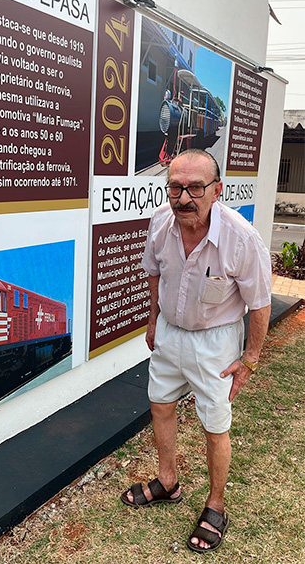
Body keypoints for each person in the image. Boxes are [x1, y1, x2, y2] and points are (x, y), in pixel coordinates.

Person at [120, 149, 272, 553]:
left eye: (195, 187)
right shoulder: (160, 224)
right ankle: (168, 482)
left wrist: (250, 359)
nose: (184, 198)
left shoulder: (241, 238)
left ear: (217, 190)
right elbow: (154, 274)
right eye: (175, 187)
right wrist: (153, 321)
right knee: (160, 405)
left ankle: (216, 505)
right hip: (170, 333)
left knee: (214, 425)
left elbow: (259, 304)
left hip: (216, 343)